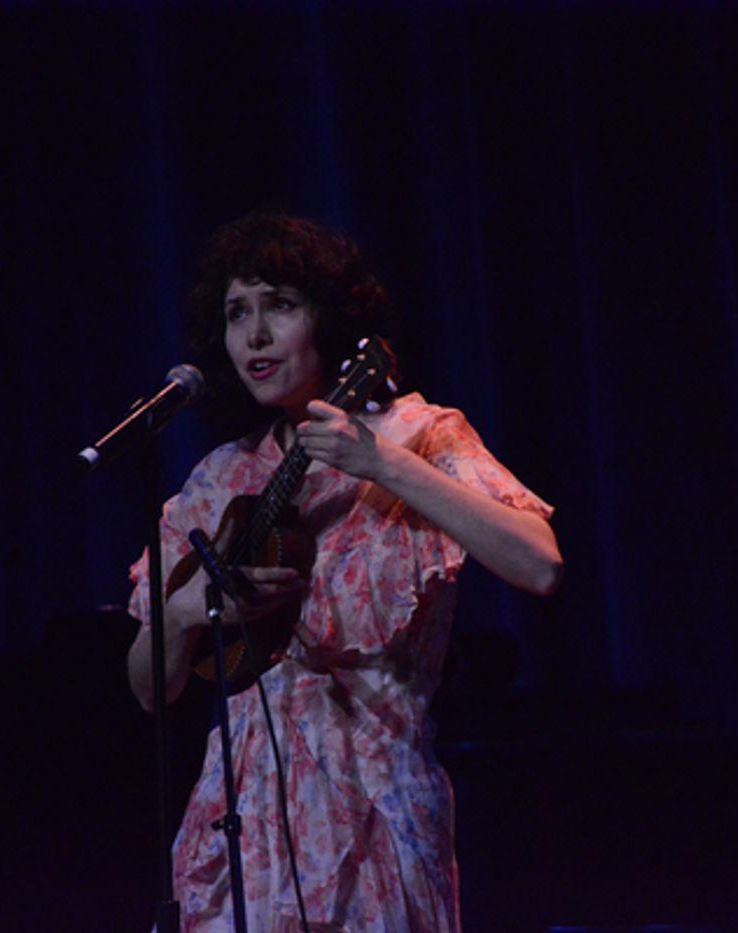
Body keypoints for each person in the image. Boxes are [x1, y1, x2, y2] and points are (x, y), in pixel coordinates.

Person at [125, 214, 562, 932]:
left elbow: (539, 563)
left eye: (280, 306)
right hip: (240, 819)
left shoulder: (418, 435)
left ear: (327, 318)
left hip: (375, 808)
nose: (255, 335)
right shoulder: (218, 480)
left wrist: (382, 464)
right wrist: (178, 613)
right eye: (237, 313)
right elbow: (151, 690)